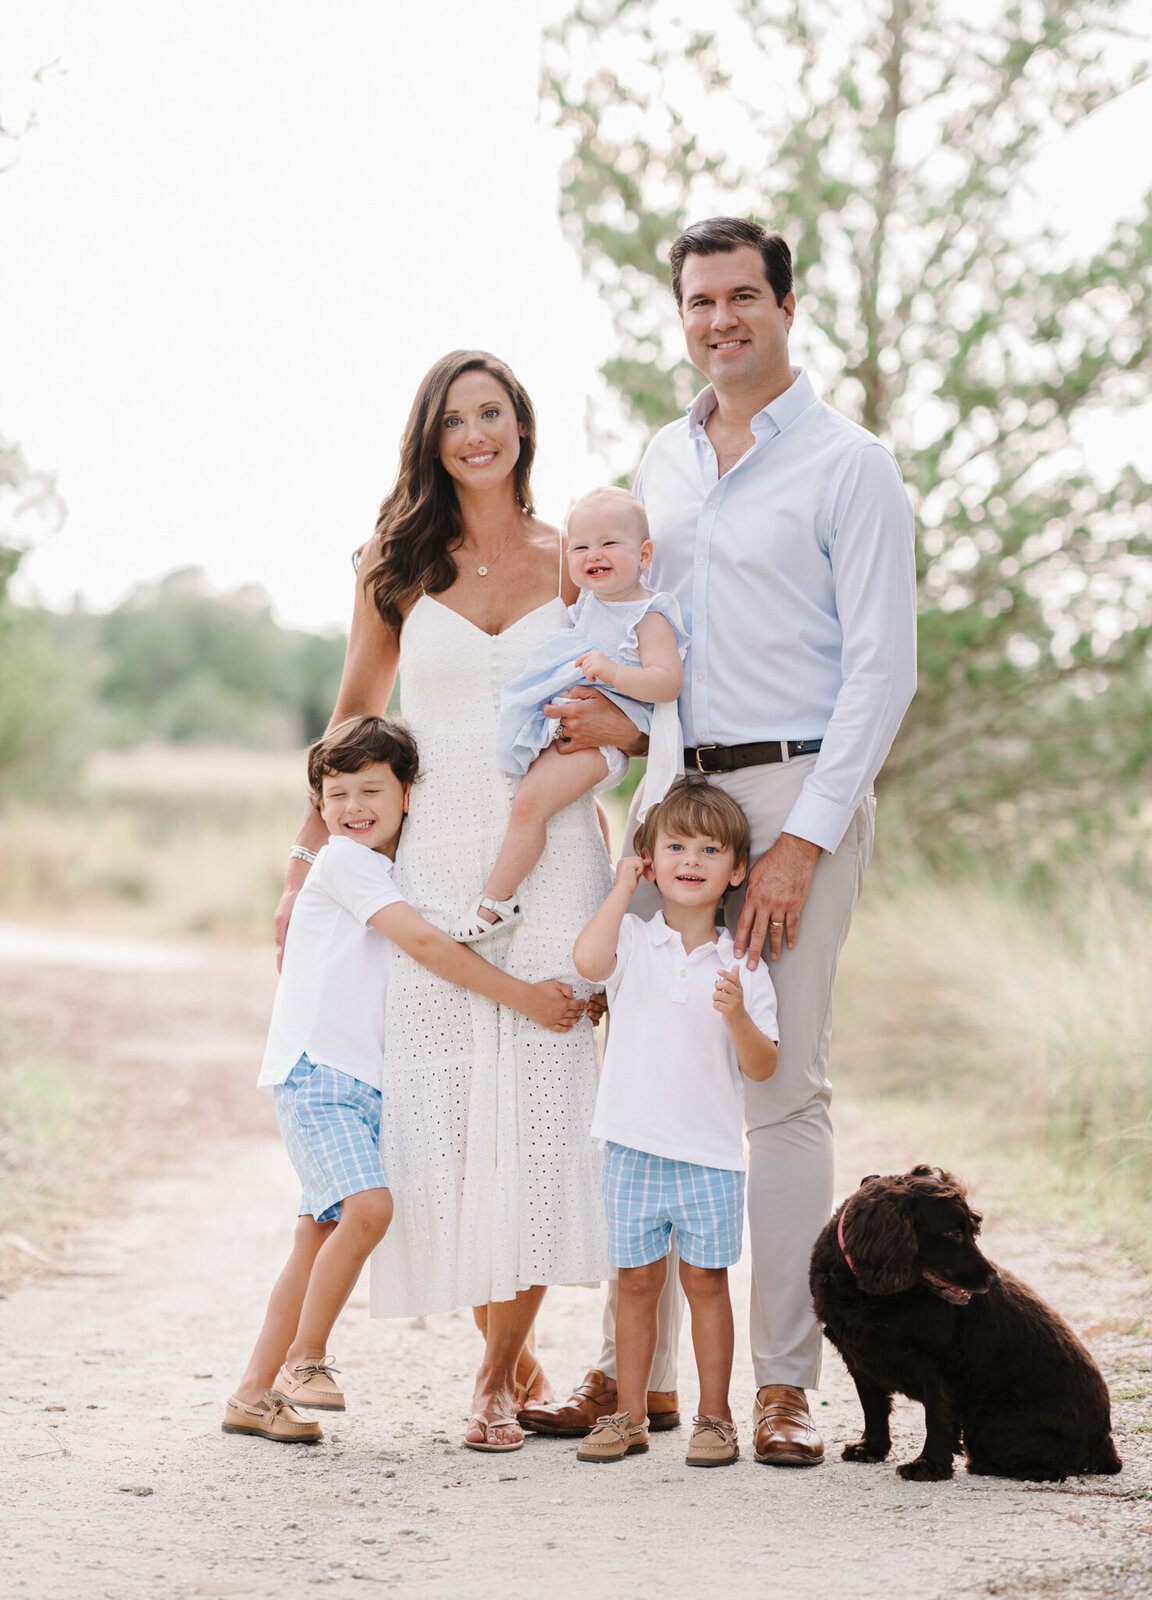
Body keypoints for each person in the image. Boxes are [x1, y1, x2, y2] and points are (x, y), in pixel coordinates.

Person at [519, 217, 918, 1466]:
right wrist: (618, 733)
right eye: (700, 300)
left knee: (775, 1082)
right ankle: (626, 1370)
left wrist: (802, 839)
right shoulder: (660, 462)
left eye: (744, 295)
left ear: (787, 306)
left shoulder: (853, 466)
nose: (720, 318)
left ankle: (785, 1384)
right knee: (637, 1052)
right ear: (681, 313)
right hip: (675, 796)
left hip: (799, 792)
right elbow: (651, 633)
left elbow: (881, 670)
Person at [273, 351, 614, 1453]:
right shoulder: (399, 565)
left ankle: (490, 1382)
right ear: (431, 438)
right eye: (456, 419)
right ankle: (514, 1351)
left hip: (554, 854)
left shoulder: (578, 562)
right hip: (431, 861)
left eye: (494, 412)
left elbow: (634, 702)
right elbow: (350, 718)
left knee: (543, 1108)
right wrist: (302, 863)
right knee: (445, 1121)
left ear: (523, 425)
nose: (477, 433)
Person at [225, 715, 583, 1446]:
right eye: (335, 794)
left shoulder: (393, 870)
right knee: (368, 1210)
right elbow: (424, 944)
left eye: (370, 790)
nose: (352, 807)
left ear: (408, 794)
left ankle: (252, 1396)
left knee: (317, 1234)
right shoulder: (345, 864)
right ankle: (306, 1360)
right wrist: (526, 998)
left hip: (360, 1080)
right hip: (319, 1072)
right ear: (318, 806)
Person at [572, 780, 777, 1467]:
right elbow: (588, 963)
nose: (691, 860)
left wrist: (737, 1015)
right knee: (634, 1283)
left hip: (710, 1155)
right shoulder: (631, 936)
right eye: (675, 846)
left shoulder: (743, 963)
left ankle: (714, 1419)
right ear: (650, 860)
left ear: (737, 871)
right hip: (631, 1145)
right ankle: (628, 1413)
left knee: (706, 1283)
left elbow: (764, 1067)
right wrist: (621, 887)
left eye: (710, 849)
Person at [450, 486, 687, 943]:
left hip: (606, 735)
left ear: (644, 555)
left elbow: (666, 681)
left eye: (608, 544)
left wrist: (614, 671)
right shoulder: (591, 606)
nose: (593, 554)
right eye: (580, 547)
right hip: (576, 724)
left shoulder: (648, 615)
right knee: (537, 800)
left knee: (529, 804)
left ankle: (497, 901)